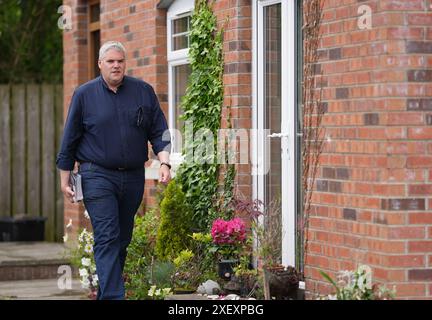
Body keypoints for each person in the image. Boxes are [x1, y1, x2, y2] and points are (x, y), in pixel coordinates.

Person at [56, 41, 171, 300]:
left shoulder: (143, 92)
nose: (116, 65)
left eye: (120, 61)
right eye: (110, 61)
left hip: (132, 176)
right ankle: (114, 297)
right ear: (100, 64)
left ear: (125, 63)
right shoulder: (84, 95)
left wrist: (164, 162)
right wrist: (65, 178)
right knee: (107, 236)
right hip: (96, 175)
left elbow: (159, 131)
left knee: (121, 240)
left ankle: (106, 293)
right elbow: (70, 138)